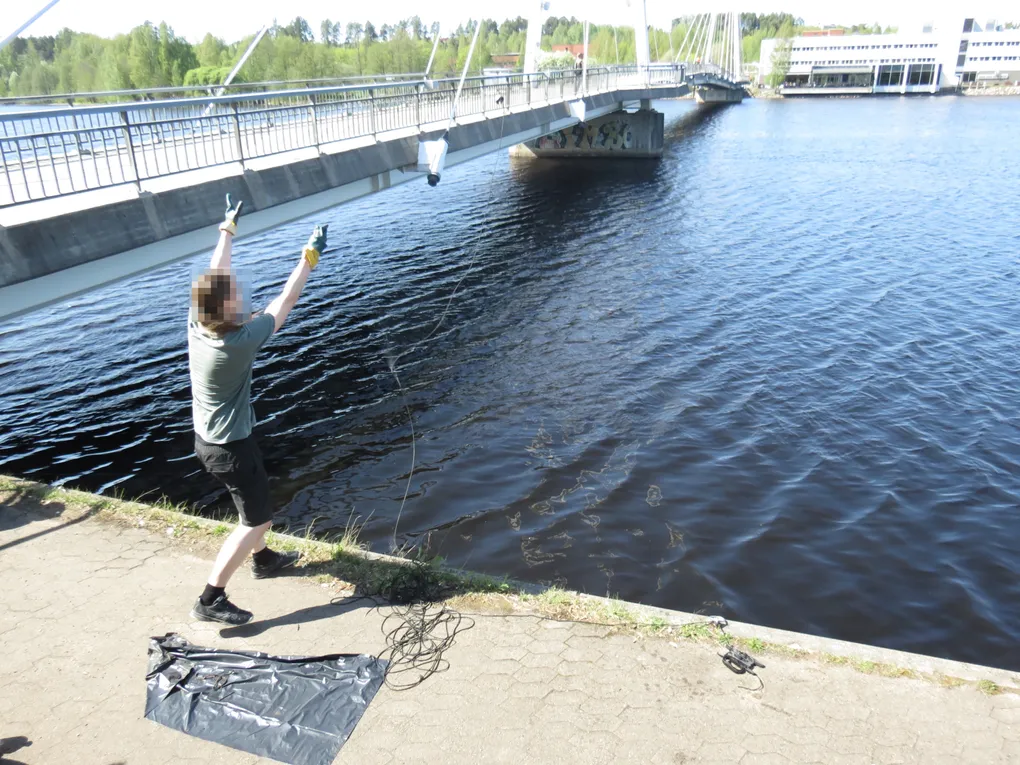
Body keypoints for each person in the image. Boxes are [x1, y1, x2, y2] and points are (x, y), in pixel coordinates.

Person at [187, 195, 328, 625]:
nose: (240, 295)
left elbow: (215, 274)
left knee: (249, 505)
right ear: (228, 314)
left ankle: (264, 561)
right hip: (231, 448)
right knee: (257, 520)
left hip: (210, 441)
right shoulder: (238, 343)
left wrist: (226, 229)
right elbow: (284, 302)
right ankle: (211, 598)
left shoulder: (198, 323)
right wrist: (310, 257)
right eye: (234, 298)